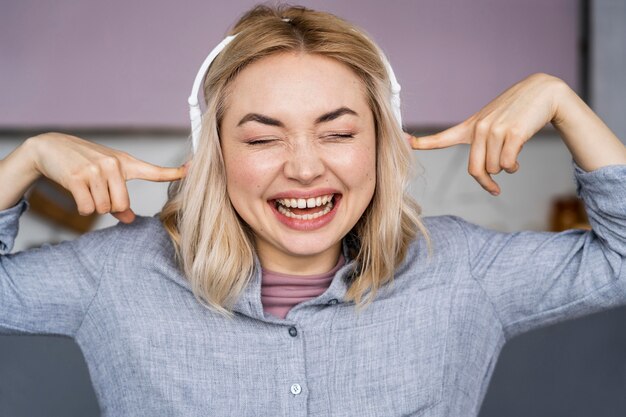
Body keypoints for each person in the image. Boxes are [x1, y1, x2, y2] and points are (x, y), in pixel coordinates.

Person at [1, 4, 625, 416]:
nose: (303, 167)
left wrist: (560, 100)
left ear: (381, 143)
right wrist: (26, 160)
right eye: (262, 137)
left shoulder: (462, 270)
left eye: (337, 132)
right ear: (212, 151)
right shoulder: (118, 275)